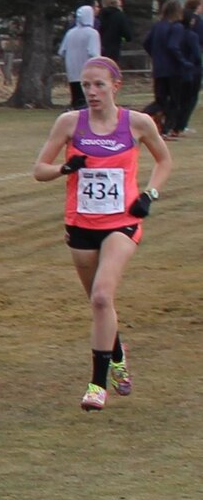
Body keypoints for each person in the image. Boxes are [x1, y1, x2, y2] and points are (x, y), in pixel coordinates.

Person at [30, 56, 172, 411]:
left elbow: (164, 161)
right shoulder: (69, 123)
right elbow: (39, 170)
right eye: (85, 85)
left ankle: (97, 385)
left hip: (122, 223)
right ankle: (118, 356)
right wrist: (65, 167)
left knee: (101, 297)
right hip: (81, 226)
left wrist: (148, 195)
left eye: (99, 85)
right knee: (99, 301)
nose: (91, 92)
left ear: (115, 87)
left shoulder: (137, 123)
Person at [142, 0, 190, 138]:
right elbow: (173, 46)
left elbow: (146, 43)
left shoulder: (158, 26)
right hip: (173, 69)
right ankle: (166, 129)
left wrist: (156, 56)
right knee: (174, 101)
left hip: (159, 68)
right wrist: (183, 61)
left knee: (160, 100)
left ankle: (143, 116)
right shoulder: (177, 27)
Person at [59, 5, 101, 110]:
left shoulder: (70, 33)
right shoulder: (92, 33)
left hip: (72, 71)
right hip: (87, 71)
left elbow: (61, 51)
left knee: (76, 97)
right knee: (86, 98)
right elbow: (94, 52)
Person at [173, 0, 203, 137]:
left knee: (180, 96)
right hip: (192, 64)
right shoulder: (196, 23)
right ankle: (181, 125)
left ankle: (175, 124)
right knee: (190, 97)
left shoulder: (179, 21)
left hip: (179, 64)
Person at [96, 0, 134, 66]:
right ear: (114, 1)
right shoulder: (119, 16)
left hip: (98, 49)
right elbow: (128, 36)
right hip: (113, 50)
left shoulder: (98, 16)